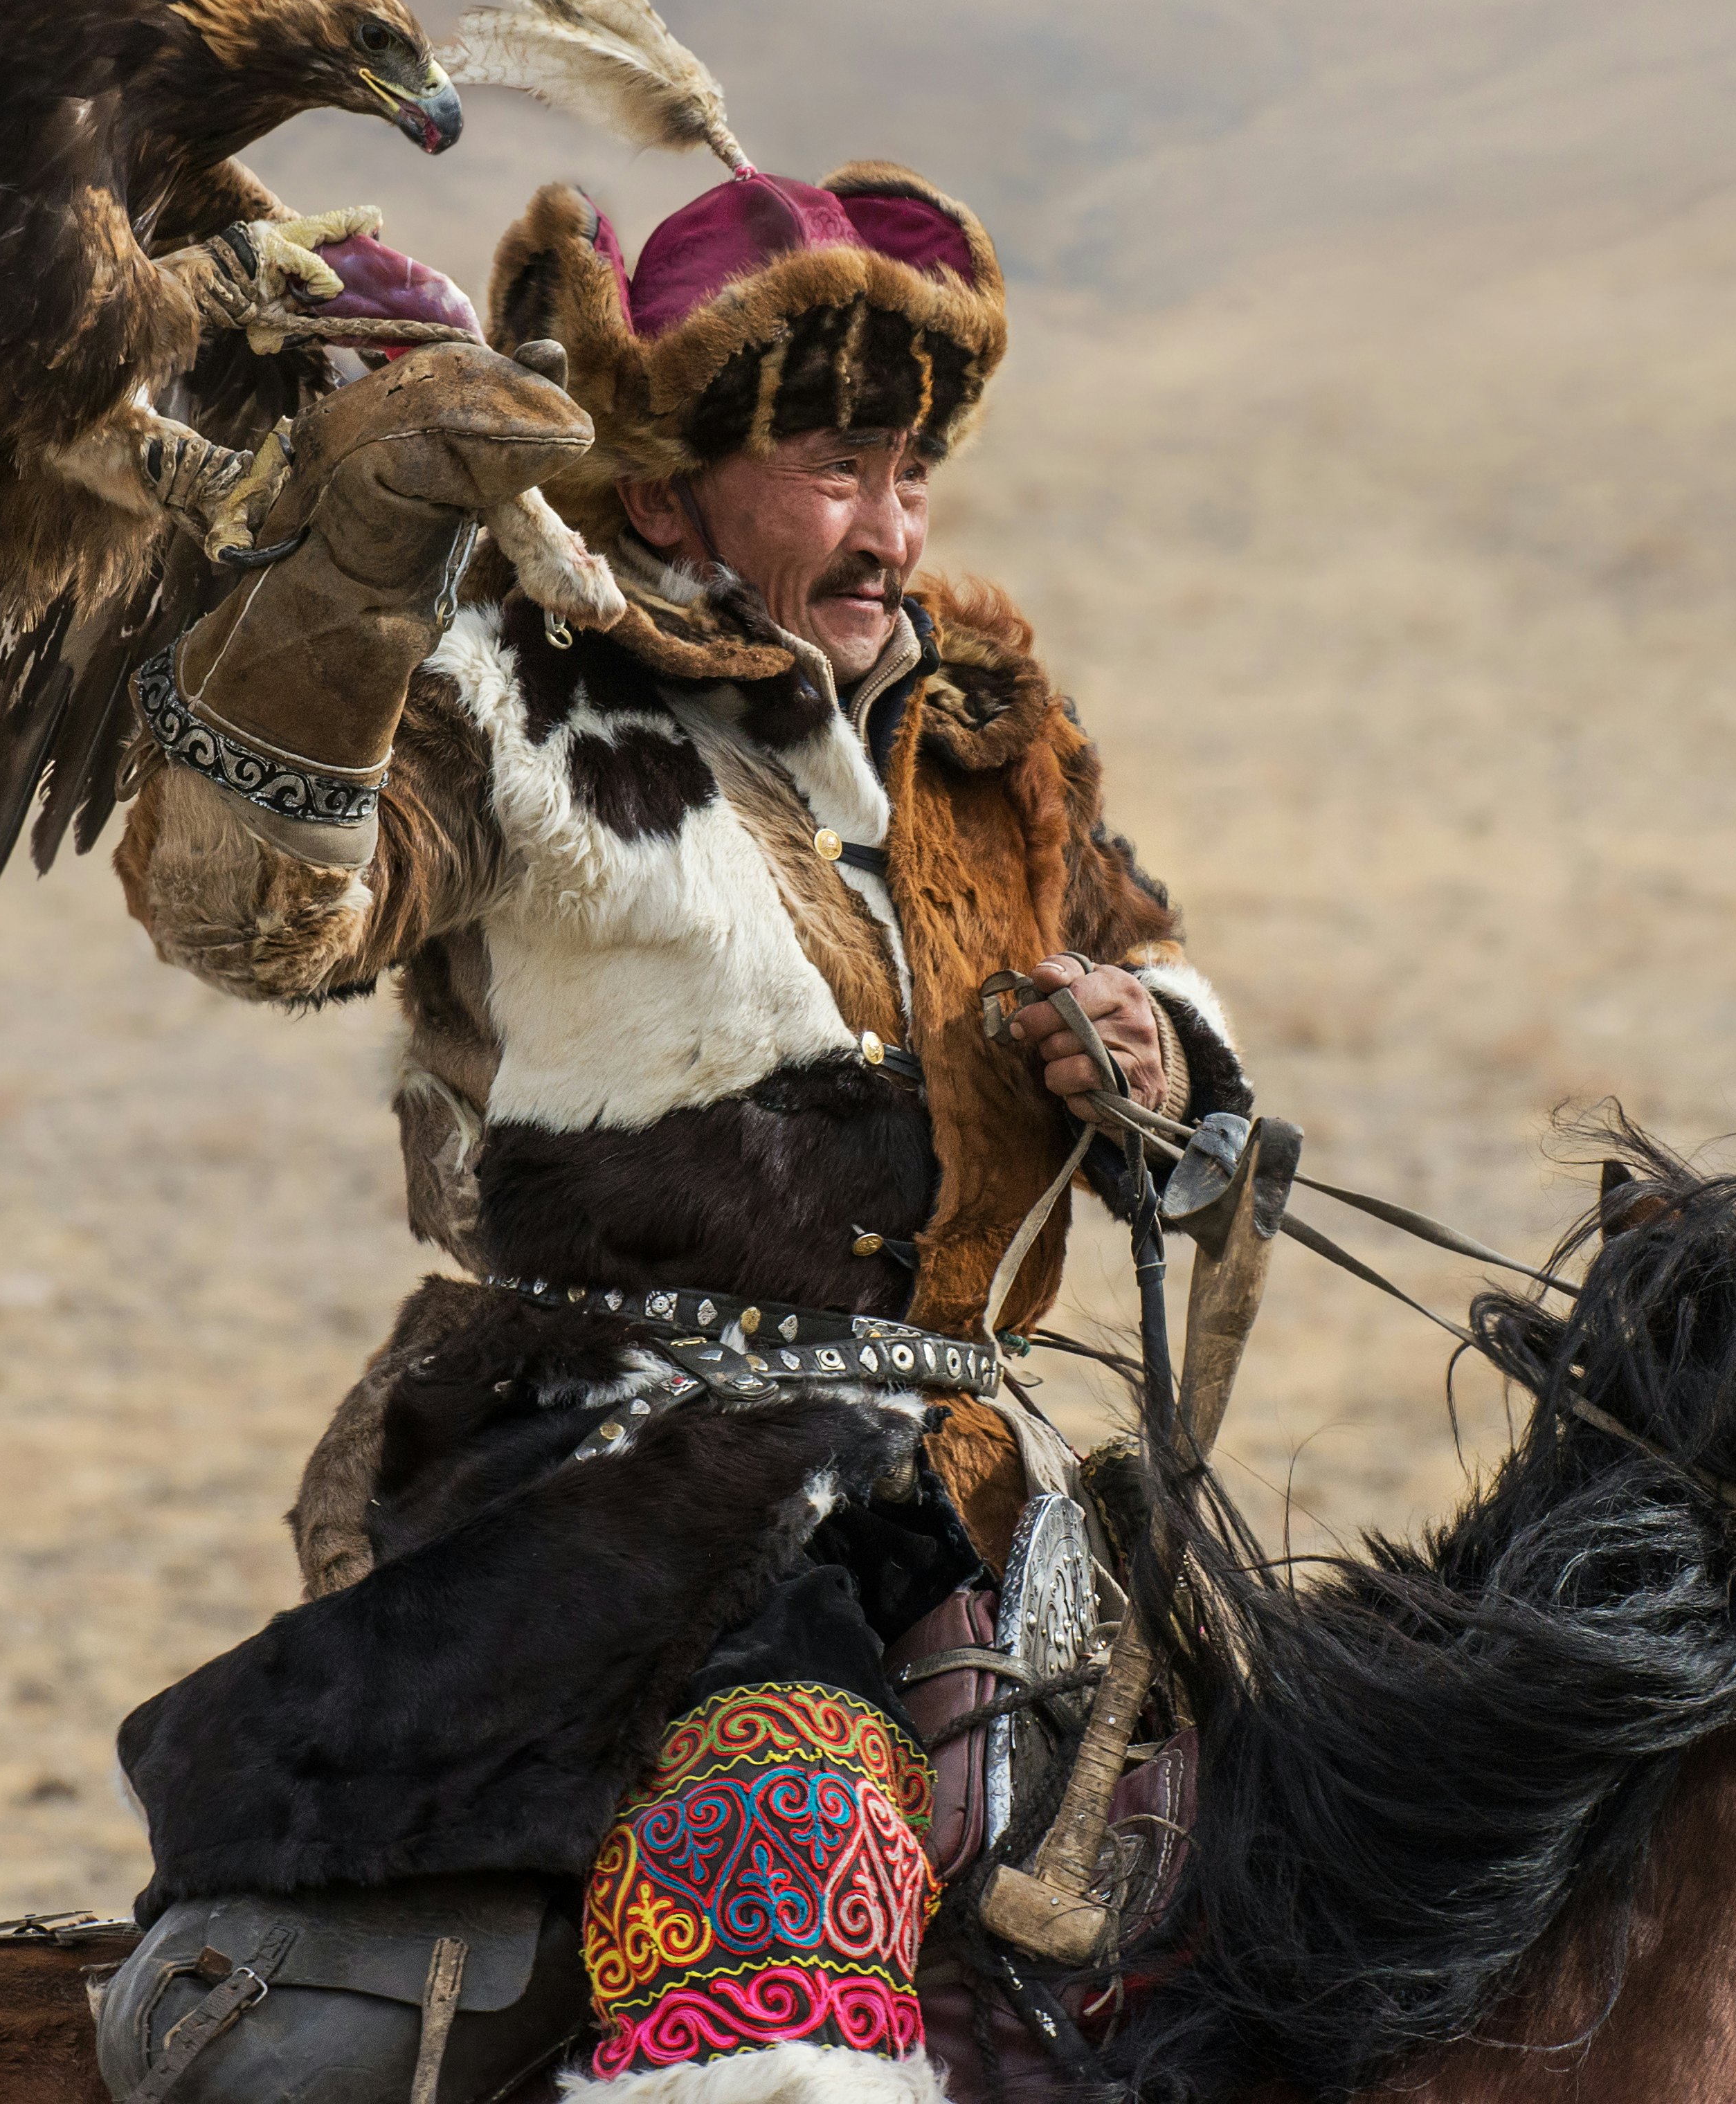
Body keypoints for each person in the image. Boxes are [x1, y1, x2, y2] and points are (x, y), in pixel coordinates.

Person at [98, 157, 1246, 2104]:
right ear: (659, 490)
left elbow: (1163, 970)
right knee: (776, 1882)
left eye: (907, 477)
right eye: (833, 473)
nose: (885, 528)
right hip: (626, 1487)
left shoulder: (982, 719)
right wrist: (346, 589)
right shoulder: (507, 693)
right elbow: (255, 917)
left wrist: (1151, 1057)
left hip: (982, 1488)